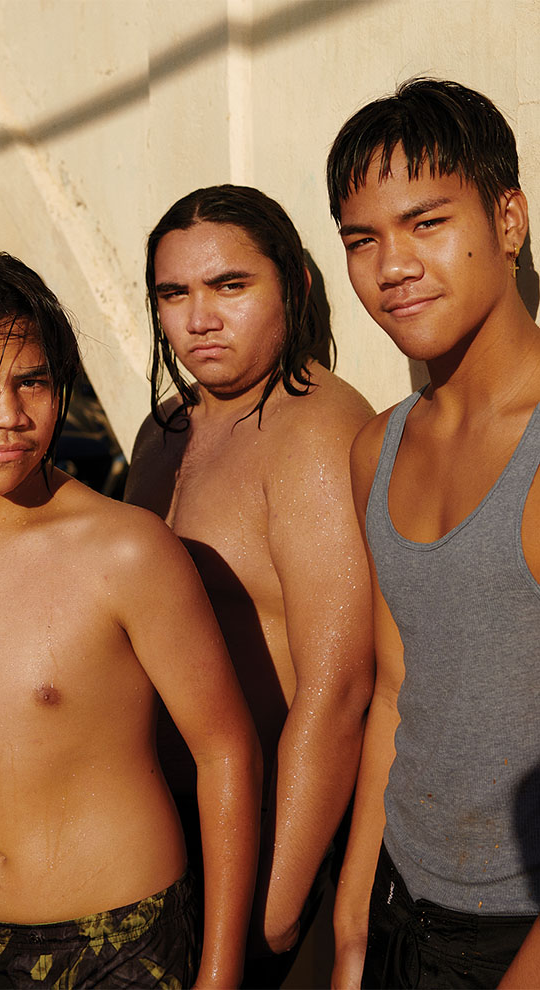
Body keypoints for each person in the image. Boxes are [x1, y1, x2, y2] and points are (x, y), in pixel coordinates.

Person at [0, 249, 261, 989]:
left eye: (31, 381)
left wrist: (220, 977)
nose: (9, 415)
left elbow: (226, 751)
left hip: (121, 948)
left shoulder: (126, 550)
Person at [125, 184, 375, 987]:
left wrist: (277, 899)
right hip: (165, 828)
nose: (199, 318)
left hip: (264, 834)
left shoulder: (314, 427)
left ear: (294, 285)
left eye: (230, 287)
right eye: (175, 294)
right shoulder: (164, 428)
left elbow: (337, 687)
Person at [326, 77, 540, 989]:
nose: (393, 265)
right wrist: (348, 937)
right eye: (361, 240)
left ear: (508, 220)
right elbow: (395, 691)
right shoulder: (380, 444)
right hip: (398, 911)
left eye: (426, 223)